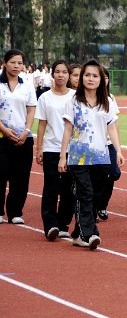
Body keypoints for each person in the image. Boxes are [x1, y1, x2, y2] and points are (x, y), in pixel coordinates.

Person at [58, 59, 124, 250]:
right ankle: (90, 233)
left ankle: (79, 233)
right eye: (87, 75)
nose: (91, 79)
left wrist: (118, 150)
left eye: (95, 76)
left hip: (100, 156)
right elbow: (68, 130)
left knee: (94, 195)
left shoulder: (107, 102)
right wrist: (63, 156)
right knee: (84, 193)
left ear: (101, 80)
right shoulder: (73, 102)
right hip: (78, 157)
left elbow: (111, 128)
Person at [35, 60, 75, 240]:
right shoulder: (45, 97)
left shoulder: (75, 96)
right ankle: (50, 224)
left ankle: (63, 223)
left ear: (69, 75)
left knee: (68, 188)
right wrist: (39, 148)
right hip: (52, 148)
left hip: (72, 149)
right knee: (51, 187)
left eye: (64, 72)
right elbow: (42, 124)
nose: (60, 75)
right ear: (52, 74)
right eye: (57, 71)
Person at [0, 49, 37, 225]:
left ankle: (15, 212)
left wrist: (27, 130)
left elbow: (31, 109)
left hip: (23, 137)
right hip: (1, 137)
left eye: (20, 63)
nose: (16, 66)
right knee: (1, 174)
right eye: (13, 62)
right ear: (5, 63)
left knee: (21, 177)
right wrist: (5, 130)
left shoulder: (27, 85)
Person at [94, 66, 121, 222]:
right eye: (100, 76)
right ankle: (94, 207)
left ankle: (102, 205)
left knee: (113, 174)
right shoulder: (85, 97)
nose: (103, 80)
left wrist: (118, 146)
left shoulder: (110, 98)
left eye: (106, 77)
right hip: (93, 145)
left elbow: (114, 122)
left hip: (109, 144)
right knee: (96, 177)